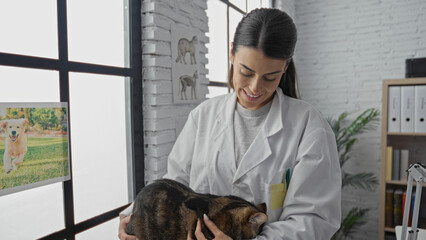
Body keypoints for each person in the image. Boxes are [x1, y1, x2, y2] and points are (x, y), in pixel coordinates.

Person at [118, 8, 341, 240]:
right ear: (232, 53)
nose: (255, 88)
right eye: (246, 72)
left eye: (270, 77)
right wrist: (132, 216)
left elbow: (314, 221)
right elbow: (175, 183)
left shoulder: (309, 126)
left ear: (285, 68)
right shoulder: (203, 115)